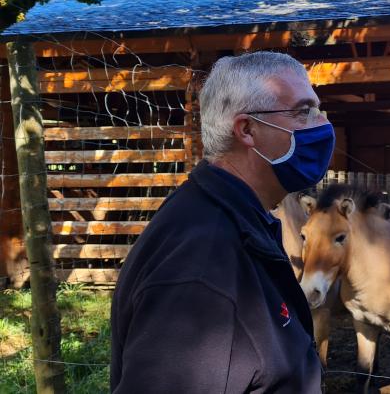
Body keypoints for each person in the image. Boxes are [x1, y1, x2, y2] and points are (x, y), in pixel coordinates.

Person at [111, 51, 332, 392]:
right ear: (247, 130)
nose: (322, 124)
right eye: (304, 111)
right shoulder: (199, 268)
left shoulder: (241, 218)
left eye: (317, 109)